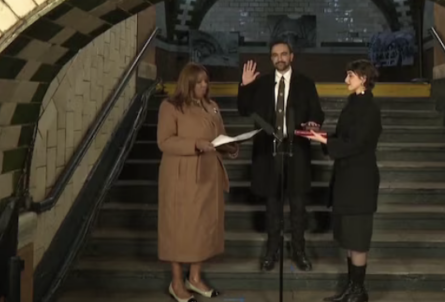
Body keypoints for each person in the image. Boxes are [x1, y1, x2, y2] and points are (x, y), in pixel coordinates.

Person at [237, 40, 325, 271]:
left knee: (298, 206)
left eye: (284, 54)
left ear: (291, 56)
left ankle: (299, 251)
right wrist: (245, 86)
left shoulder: (305, 83)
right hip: (269, 152)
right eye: (275, 55)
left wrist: (314, 122)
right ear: (271, 58)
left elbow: (317, 112)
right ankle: (271, 251)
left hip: (297, 152)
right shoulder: (261, 83)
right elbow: (244, 110)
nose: (280, 58)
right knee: (272, 207)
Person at [157, 62, 239, 302]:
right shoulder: (170, 106)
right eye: (199, 82)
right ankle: (176, 282)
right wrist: (195, 144)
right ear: (188, 83)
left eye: (206, 81)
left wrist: (231, 147)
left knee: (202, 227)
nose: (204, 85)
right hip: (181, 176)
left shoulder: (211, 106)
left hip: (208, 175)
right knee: (179, 227)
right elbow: (164, 141)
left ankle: (194, 277)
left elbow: (219, 136)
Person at [305, 59, 382, 302]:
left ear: (363, 78)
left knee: (358, 240)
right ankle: (352, 289)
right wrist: (321, 135)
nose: (346, 79)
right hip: (348, 180)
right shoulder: (353, 103)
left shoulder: (370, 109)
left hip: (360, 182)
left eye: (350, 75)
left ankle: (359, 291)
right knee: (350, 237)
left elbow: (355, 143)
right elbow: (343, 137)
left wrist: (325, 141)